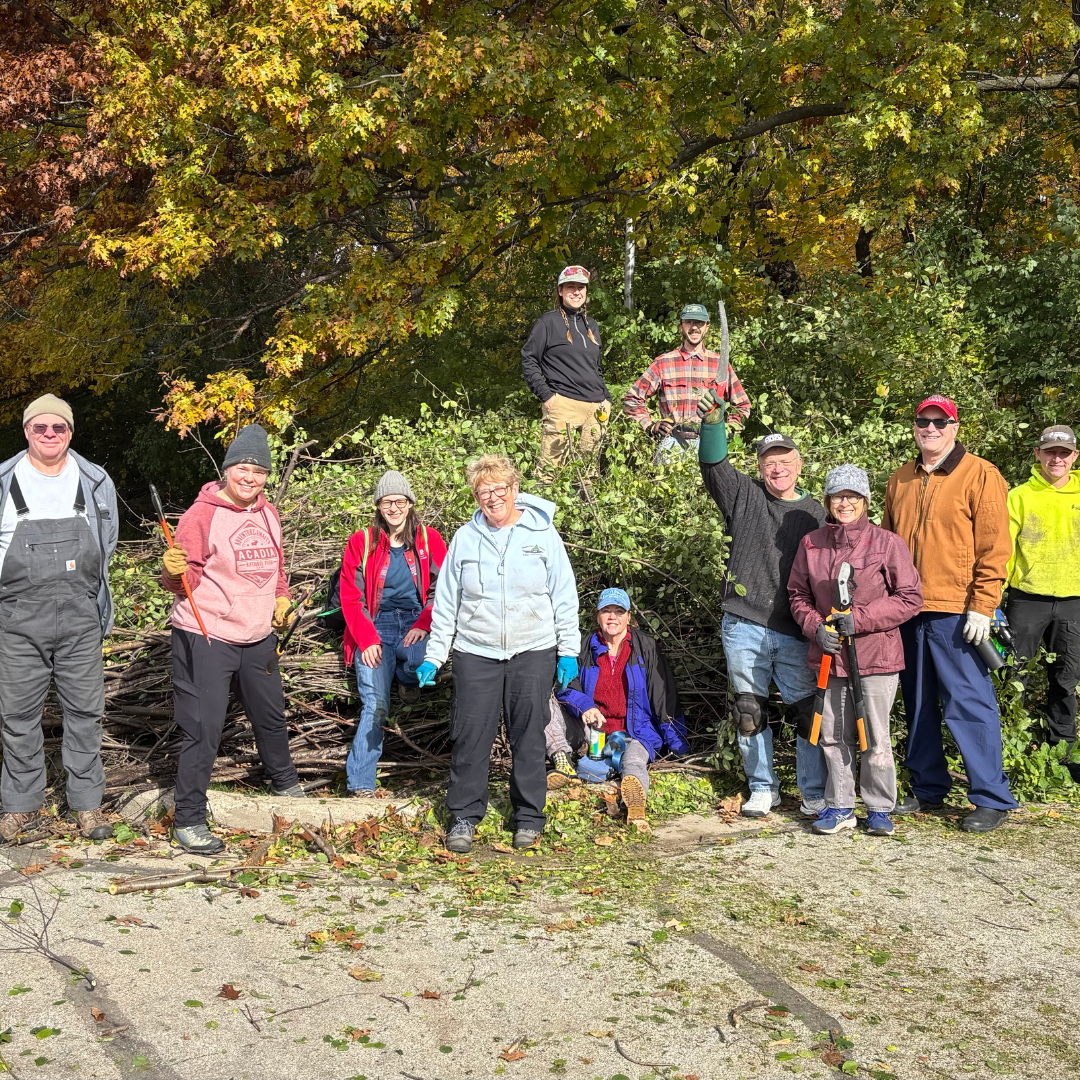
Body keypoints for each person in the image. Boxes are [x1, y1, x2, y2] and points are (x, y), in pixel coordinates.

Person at [415, 455, 581, 853]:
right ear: (475, 495)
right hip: (477, 651)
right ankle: (464, 817)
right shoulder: (465, 538)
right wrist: (434, 655)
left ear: (514, 489)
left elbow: (563, 594)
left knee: (529, 736)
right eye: (483, 491)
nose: (492, 498)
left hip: (533, 648)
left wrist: (568, 650)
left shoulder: (542, 534)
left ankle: (527, 817)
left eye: (499, 489)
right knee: (471, 735)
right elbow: (447, 603)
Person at [161, 424, 306, 854]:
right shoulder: (201, 514)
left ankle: (287, 789)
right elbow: (181, 581)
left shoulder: (268, 513)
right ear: (227, 470)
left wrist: (281, 600)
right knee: (202, 728)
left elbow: (277, 569)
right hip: (206, 634)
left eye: (259, 470)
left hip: (257, 634)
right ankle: (187, 820)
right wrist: (171, 571)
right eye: (243, 467)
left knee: (270, 715)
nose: (250, 476)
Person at [882, 394, 1018, 832]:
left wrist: (983, 605)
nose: (931, 428)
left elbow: (996, 547)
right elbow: (884, 546)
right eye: (924, 420)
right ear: (915, 427)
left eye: (941, 421)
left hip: (957, 612)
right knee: (918, 703)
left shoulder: (980, 474)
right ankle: (928, 791)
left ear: (954, 427)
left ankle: (991, 797)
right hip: (906, 610)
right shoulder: (899, 478)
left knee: (968, 703)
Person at [696, 391, 829, 818]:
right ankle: (762, 788)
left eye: (784, 459)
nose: (777, 467)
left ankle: (813, 790)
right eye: (769, 461)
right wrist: (713, 424)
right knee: (749, 710)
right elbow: (713, 464)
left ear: (799, 465)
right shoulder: (744, 495)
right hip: (744, 622)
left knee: (810, 714)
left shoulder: (818, 514)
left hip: (796, 628)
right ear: (760, 467)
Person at [0, 394, 118, 844]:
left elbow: (106, 545)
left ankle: (87, 807)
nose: (50, 435)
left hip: (79, 616)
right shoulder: (4, 479)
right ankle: (21, 806)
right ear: (26, 430)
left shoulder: (94, 479)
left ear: (70, 432)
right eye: (40, 428)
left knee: (85, 712)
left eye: (59, 428)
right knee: (17, 715)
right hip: (16, 617)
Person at [788, 465, 923, 836]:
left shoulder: (887, 543)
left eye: (852, 496)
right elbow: (797, 595)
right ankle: (841, 806)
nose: (844, 503)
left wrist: (859, 619)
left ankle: (879, 807)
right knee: (832, 735)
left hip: (876, 657)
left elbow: (910, 598)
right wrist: (816, 627)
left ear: (865, 501)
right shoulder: (811, 544)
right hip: (829, 658)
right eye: (837, 496)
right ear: (828, 501)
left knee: (875, 736)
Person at [340, 471, 446, 796]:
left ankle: (406, 677)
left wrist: (424, 624)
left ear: (410, 503)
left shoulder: (430, 540)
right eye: (387, 502)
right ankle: (360, 784)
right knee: (375, 703)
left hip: (416, 620)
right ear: (379, 506)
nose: (394, 508)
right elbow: (350, 596)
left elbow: (442, 591)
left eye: (400, 501)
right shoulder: (363, 541)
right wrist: (366, 638)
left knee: (418, 662)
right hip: (375, 623)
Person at [551, 588, 689, 831]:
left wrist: (680, 749)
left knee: (634, 761)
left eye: (618, 611)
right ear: (597, 616)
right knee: (547, 702)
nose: (612, 617)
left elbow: (663, 698)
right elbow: (565, 689)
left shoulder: (645, 647)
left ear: (628, 616)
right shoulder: (582, 648)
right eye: (606, 611)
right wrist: (586, 706)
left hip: (635, 731)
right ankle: (561, 759)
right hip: (592, 731)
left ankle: (636, 806)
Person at [1004, 425, 1080, 778]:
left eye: (1064, 453)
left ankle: (1060, 755)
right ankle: (1005, 745)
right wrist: (992, 598)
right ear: (1038, 454)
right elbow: (1004, 550)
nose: (1057, 459)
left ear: (1074, 457)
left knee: (1065, 679)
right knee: (1011, 674)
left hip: (1074, 600)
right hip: (1026, 599)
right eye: (1051, 451)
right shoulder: (1019, 496)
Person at [624, 303, 751, 460]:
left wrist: (726, 430)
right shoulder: (663, 363)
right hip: (672, 444)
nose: (694, 327)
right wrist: (650, 426)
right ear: (680, 326)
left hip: (709, 444)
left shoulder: (719, 364)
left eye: (699, 323)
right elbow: (632, 398)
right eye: (689, 322)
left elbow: (743, 405)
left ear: (707, 327)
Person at [521, 265, 612, 476]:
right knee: (549, 473)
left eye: (581, 287)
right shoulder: (547, 322)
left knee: (588, 474)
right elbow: (529, 359)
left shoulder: (592, 325)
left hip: (597, 408)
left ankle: (585, 509)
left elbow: (595, 367)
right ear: (560, 291)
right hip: (563, 404)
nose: (577, 292)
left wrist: (606, 398)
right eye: (571, 287)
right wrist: (547, 396)